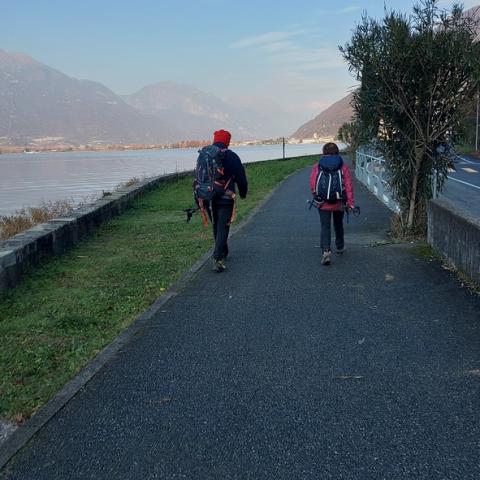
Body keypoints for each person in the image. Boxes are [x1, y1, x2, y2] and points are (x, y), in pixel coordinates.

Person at [309, 142, 354, 265]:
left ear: (323, 153)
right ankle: (339, 246)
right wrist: (350, 203)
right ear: (337, 152)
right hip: (339, 202)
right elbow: (348, 186)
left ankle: (326, 251)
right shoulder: (343, 167)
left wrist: (317, 197)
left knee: (325, 226)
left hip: (323, 203)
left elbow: (313, 184)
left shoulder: (317, 166)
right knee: (338, 224)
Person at [209, 129, 248, 272]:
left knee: (216, 225)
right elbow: (241, 178)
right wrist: (243, 192)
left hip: (211, 196)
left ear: (214, 139)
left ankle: (223, 251)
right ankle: (218, 258)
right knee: (223, 226)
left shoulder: (207, 155)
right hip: (226, 196)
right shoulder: (231, 156)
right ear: (227, 141)